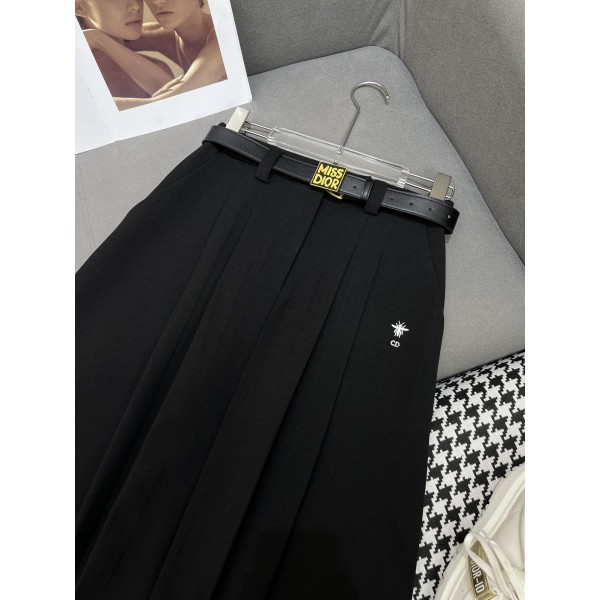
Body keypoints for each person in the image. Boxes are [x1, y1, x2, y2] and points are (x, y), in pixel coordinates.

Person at [114, 0, 227, 109]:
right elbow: (112, 35)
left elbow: (169, 104)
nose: (156, 1)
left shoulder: (224, 39)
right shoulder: (164, 37)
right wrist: (104, 41)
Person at [76, 0, 174, 102]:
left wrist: (99, 39)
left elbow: (177, 103)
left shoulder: (159, 68)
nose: (135, 5)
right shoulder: (77, 80)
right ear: (79, 7)